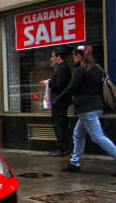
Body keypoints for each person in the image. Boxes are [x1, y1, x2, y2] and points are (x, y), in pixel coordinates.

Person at [51, 45, 116, 173]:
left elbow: (71, 89)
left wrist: (56, 102)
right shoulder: (97, 68)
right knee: (78, 134)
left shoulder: (81, 70)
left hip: (87, 108)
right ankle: (74, 163)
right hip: (97, 106)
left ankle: (75, 162)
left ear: (78, 56)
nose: (73, 59)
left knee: (97, 136)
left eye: (74, 56)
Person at [41, 47, 72, 156]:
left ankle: (63, 148)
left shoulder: (62, 68)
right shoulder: (61, 68)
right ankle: (64, 147)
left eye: (53, 56)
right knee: (61, 124)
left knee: (58, 124)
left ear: (59, 57)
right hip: (60, 100)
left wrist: (49, 83)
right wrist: (51, 81)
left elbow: (59, 85)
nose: (51, 59)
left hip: (59, 101)